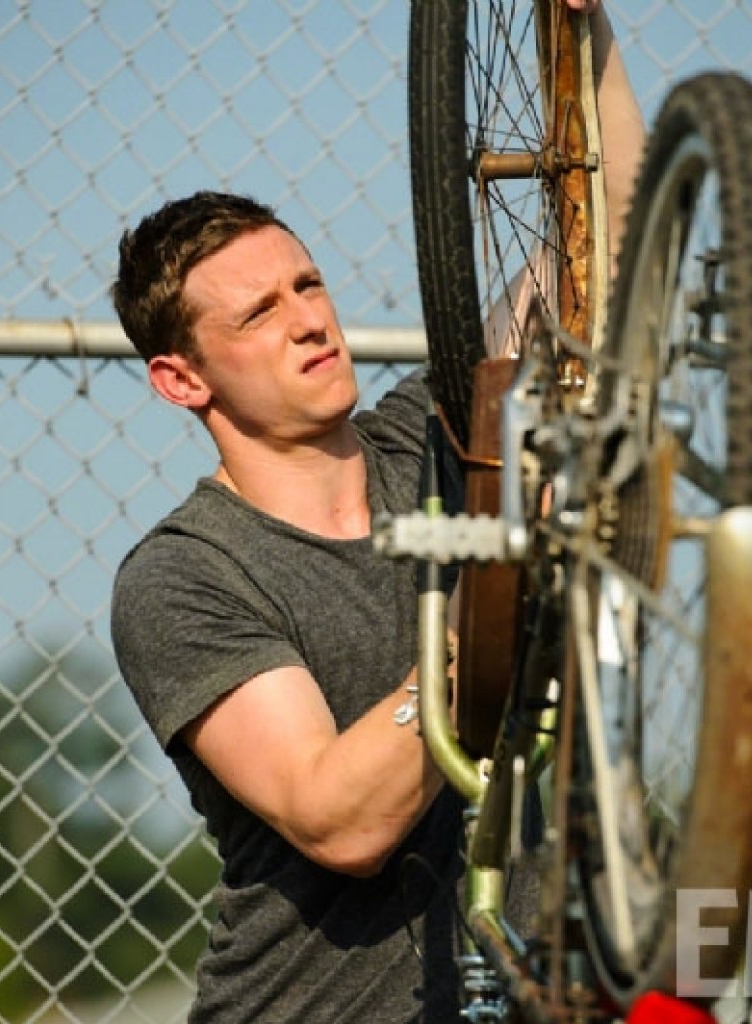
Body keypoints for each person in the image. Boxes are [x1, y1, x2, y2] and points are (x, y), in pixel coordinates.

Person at [109, 4, 643, 1021]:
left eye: (308, 285)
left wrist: (586, 36)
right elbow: (340, 819)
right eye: (259, 313)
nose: (310, 320)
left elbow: (611, 239)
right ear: (182, 379)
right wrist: (494, 602)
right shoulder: (184, 576)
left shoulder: (445, 435)